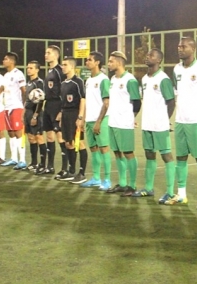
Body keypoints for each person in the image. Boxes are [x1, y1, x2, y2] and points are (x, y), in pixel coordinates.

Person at [166, 36, 197, 209]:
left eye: (184, 46)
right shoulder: (176, 69)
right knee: (181, 158)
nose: (180, 48)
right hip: (180, 120)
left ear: (192, 49)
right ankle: (182, 194)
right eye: (179, 46)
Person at [136, 48, 176, 203]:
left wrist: (165, 120)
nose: (148, 57)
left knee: (166, 156)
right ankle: (148, 188)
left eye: (151, 55)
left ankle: (170, 192)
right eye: (147, 55)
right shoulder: (145, 78)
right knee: (149, 155)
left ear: (159, 60)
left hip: (160, 125)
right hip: (147, 124)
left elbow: (171, 102)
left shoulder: (163, 79)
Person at [105, 51, 141, 195]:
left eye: (111, 61)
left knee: (128, 153)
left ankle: (132, 186)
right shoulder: (113, 79)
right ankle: (122, 183)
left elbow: (137, 102)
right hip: (113, 121)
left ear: (119, 62)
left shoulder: (130, 80)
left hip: (124, 123)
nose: (108, 64)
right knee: (117, 152)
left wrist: (131, 118)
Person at [79, 51, 111, 189]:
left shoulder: (103, 79)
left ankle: (107, 180)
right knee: (94, 149)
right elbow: (86, 101)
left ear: (97, 62)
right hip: (89, 120)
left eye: (90, 60)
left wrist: (99, 121)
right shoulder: (89, 80)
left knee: (104, 149)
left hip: (101, 120)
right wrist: (83, 119)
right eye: (87, 60)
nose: (87, 62)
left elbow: (106, 103)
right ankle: (96, 178)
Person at [38, 45, 67, 177]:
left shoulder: (59, 71)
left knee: (60, 136)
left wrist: (62, 110)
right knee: (49, 136)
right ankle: (50, 166)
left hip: (57, 105)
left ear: (56, 55)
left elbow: (64, 90)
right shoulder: (49, 71)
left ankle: (66, 167)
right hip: (48, 105)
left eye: (48, 53)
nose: (46, 55)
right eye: (45, 52)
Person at [57, 57, 87, 183]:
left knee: (78, 143)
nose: (62, 67)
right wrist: (61, 114)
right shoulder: (63, 83)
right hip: (65, 114)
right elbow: (63, 101)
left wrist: (80, 117)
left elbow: (83, 100)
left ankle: (82, 173)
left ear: (72, 67)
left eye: (65, 65)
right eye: (62, 64)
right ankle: (71, 171)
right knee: (68, 143)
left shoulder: (78, 82)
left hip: (75, 114)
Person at [24, 60, 47, 172]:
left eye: (31, 68)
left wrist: (35, 115)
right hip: (28, 112)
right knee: (31, 138)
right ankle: (34, 163)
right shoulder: (28, 83)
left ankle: (43, 164)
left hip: (35, 113)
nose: (29, 69)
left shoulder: (39, 83)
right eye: (28, 67)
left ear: (37, 69)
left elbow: (41, 101)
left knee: (39, 137)